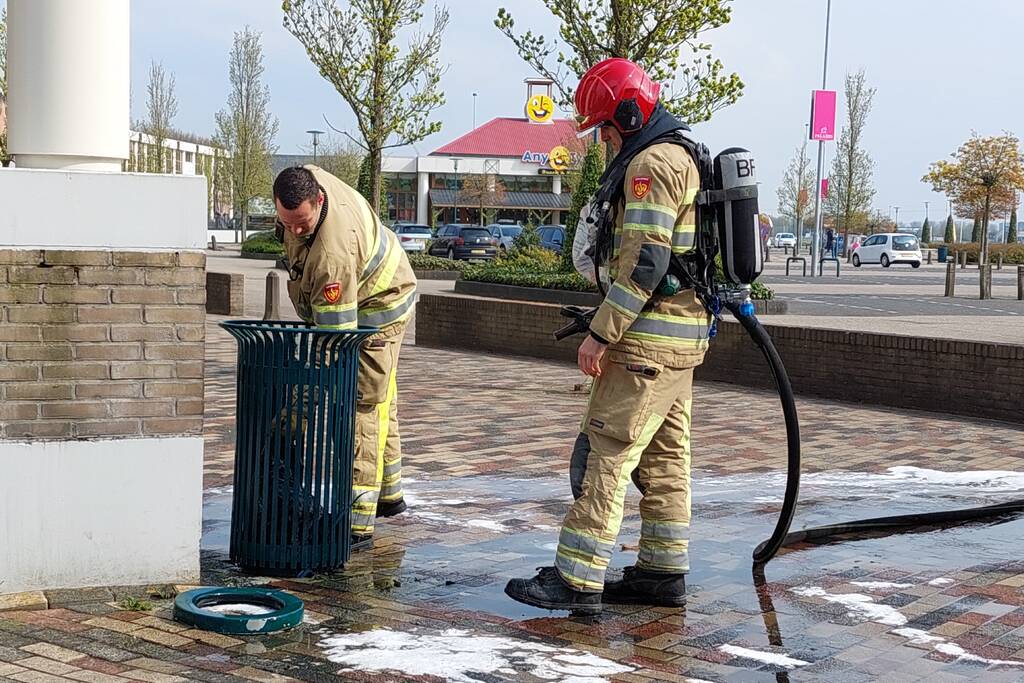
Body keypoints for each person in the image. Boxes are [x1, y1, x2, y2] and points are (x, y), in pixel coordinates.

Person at [505, 58, 711, 613]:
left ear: (625, 118)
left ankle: (576, 576)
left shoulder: (649, 165)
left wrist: (601, 333)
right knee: (666, 461)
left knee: (609, 454)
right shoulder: (683, 155)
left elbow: (645, 260)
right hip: (681, 343)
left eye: (603, 131)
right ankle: (662, 573)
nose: (601, 142)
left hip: (645, 345)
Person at [273, 165, 416, 549]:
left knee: (363, 402)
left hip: (379, 308)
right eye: (287, 224)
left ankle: (357, 522)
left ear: (319, 200)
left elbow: (335, 346)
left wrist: (298, 414)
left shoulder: (333, 253)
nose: (295, 231)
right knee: (384, 398)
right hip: (363, 295)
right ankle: (390, 493)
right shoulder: (306, 181)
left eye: (302, 223)